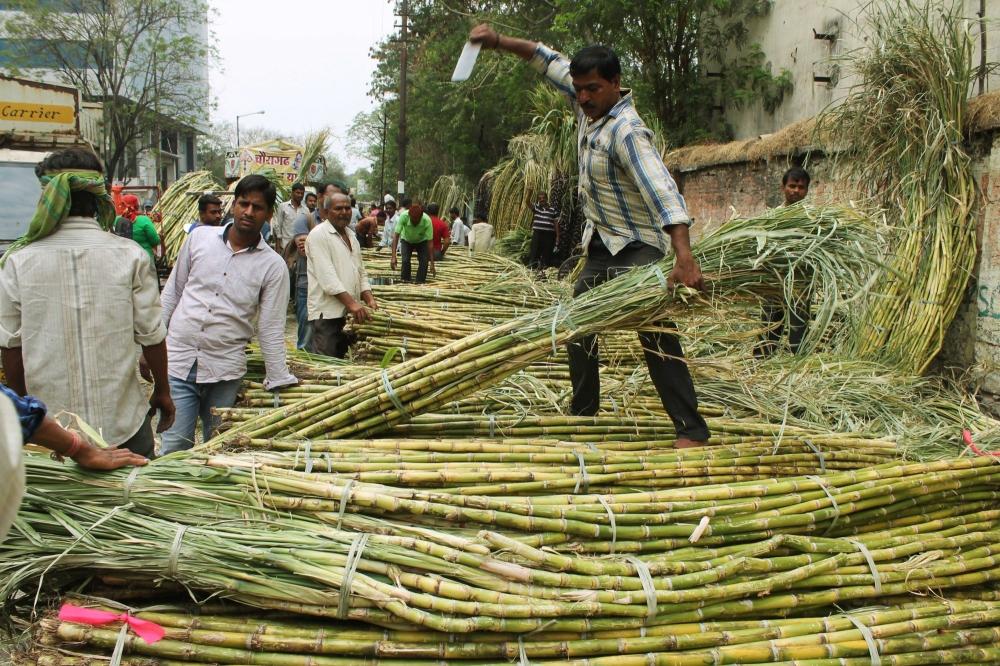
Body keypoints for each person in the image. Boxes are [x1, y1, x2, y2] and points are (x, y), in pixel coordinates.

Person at [470, 25, 710, 448]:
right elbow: (544, 57)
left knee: (654, 330)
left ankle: (691, 429)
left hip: (637, 248)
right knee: (578, 326)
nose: (583, 97)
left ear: (616, 84)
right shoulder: (587, 106)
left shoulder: (627, 132)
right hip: (601, 246)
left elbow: (663, 192)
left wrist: (683, 257)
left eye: (592, 89)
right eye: (579, 89)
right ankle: (584, 414)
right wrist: (497, 42)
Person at [0, 147, 175, 458]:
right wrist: (162, 391)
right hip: (125, 426)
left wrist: (27, 418)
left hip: (51, 435)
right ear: (99, 197)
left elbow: (11, 347)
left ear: (47, 197)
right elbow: (152, 335)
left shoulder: (18, 261)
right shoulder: (130, 255)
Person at [159, 174, 298, 454]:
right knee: (174, 446)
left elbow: (270, 327)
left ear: (269, 214)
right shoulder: (198, 238)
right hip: (178, 358)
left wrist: (278, 378)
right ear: (232, 206)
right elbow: (172, 292)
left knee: (218, 449)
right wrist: (152, 347)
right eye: (243, 204)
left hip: (224, 369)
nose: (248, 212)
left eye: (257, 207)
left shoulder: (273, 267)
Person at [306, 192, 377, 358]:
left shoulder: (351, 236)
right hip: (328, 313)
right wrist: (353, 304)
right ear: (326, 212)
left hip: (350, 314)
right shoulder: (318, 235)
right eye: (338, 208)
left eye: (347, 208)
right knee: (327, 364)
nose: (344, 212)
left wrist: (368, 297)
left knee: (349, 360)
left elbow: (360, 271)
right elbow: (327, 278)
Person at [757, 166, 813, 357]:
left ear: (806, 190)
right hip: (775, 279)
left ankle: (797, 365)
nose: (796, 190)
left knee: (799, 326)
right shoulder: (772, 217)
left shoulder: (813, 218)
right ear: (783, 187)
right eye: (792, 186)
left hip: (800, 281)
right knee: (771, 323)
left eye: (801, 187)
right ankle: (762, 363)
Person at [391, 199, 435, 283]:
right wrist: (393, 256)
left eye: (417, 220)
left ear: (421, 216)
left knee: (424, 262)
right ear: (409, 215)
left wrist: (432, 263)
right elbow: (396, 236)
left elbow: (430, 243)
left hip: (422, 241)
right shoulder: (403, 216)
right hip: (406, 240)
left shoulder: (427, 220)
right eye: (412, 219)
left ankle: (420, 282)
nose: (414, 221)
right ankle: (405, 281)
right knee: (405, 261)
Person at [291, 210, 314, 351]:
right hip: (307, 282)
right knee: (307, 324)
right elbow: (303, 249)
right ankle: (303, 361)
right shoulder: (305, 219)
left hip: (330, 283)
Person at [272, 182, 309, 254]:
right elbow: (278, 226)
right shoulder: (283, 206)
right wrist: (278, 246)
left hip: (299, 247)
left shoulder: (306, 210)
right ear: (292, 193)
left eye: (302, 193)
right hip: (285, 245)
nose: (300, 195)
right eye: (298, 193)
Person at [528, 191, 560, 269]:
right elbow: (527, 202)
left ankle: (544, 268)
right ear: (538, 200)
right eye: (540, 198)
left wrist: (558, 236)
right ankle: (532, 267)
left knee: (547, 252)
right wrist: (529, 193)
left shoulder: (553, 209)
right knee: (535, 251)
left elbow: (556, 223)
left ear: (546, 198)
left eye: (543, 198)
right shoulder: (536, 207)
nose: (542, 200)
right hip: (537, 234)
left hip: (549, 235)